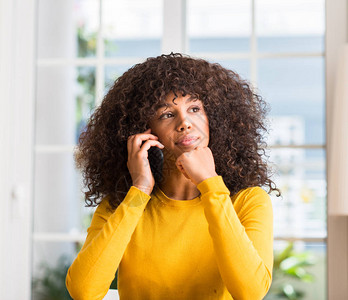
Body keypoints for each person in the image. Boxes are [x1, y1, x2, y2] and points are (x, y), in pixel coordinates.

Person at [66, 53, 280, 300]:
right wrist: (140, 190)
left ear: (216, 119)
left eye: (195, 109)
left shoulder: (248, 201)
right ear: (145, 131)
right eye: (167, 114)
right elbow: (83, 291)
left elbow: (251, 292)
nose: (185, 123)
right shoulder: (121, 205)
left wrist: (210, 185)